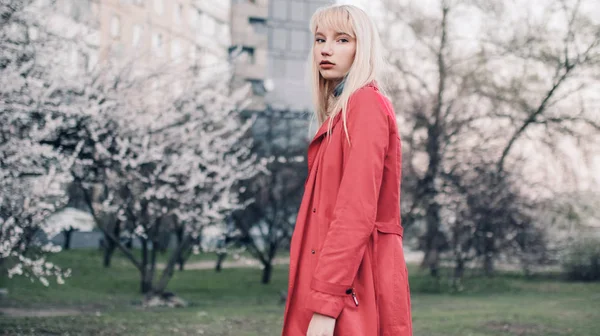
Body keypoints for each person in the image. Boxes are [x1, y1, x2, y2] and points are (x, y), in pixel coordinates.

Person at [281, 4, 413, 336]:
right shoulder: (341, 114)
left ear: (362, 48)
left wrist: (325, 305)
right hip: (341, 282)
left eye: (342, 40)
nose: (326, 49)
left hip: (354, 288)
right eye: (320, 39)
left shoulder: (364, 106)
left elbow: (355, 212)